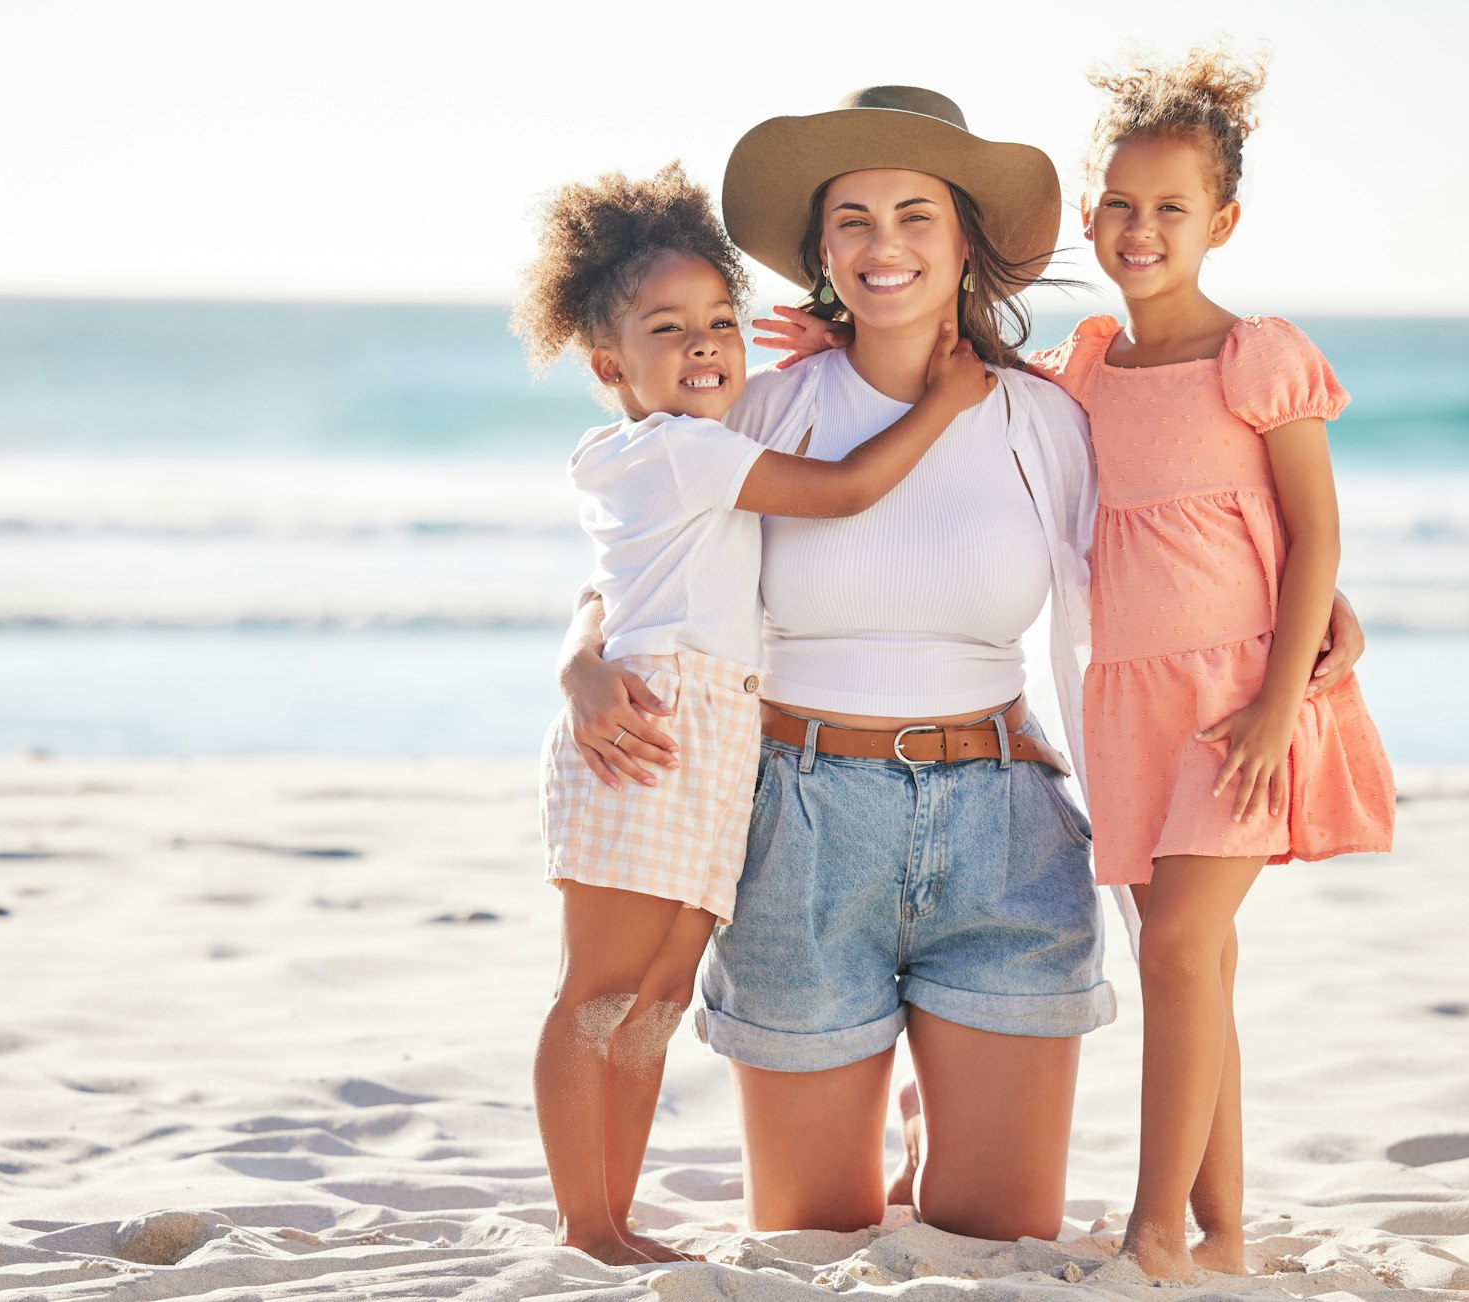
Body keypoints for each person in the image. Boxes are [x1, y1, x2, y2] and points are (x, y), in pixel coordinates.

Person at [558, 90, 1370, 1244]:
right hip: (798, 830)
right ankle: (895, 1107)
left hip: (999, 829)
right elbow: (636, 560)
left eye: (914, 215)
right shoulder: (762, 409)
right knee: (811, 1233)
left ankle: (936, 1099)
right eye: (851, 220)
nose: (883, 245)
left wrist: (1318, 598)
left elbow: (1176, 519)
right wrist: (578, 660)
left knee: (994, 1234)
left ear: (963, 243)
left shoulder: (1047, 416)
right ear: (822, 255)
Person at [516, 162, 994, 1266]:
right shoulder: (678, 451)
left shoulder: (681, 448)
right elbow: (840, 491)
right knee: (597, 990)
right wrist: (942, 402)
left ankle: (614, 1215)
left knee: (658, 995)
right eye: (667, 329)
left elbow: (604, 591)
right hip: (651, 726)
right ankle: (584, 1222)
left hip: (717, 727)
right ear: (609, 365)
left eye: (721, 324)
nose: (703, 348)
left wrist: (573, 653)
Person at [1027, 50, 1396, 1279]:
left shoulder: (1257, 355)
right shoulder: (1085, 364)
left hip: (1245, 697)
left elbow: (1314, 538)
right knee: (1192, 960)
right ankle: (1224, 1235)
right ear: (1090, 217)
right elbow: (967, 385)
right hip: (1129, 698)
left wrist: (1277, 704)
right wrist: (835, 332)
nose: (1140, 230)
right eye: (1119, 207)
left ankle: (1153, 1235)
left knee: (1181, 950)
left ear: (1219, 222)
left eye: (1169, 208)